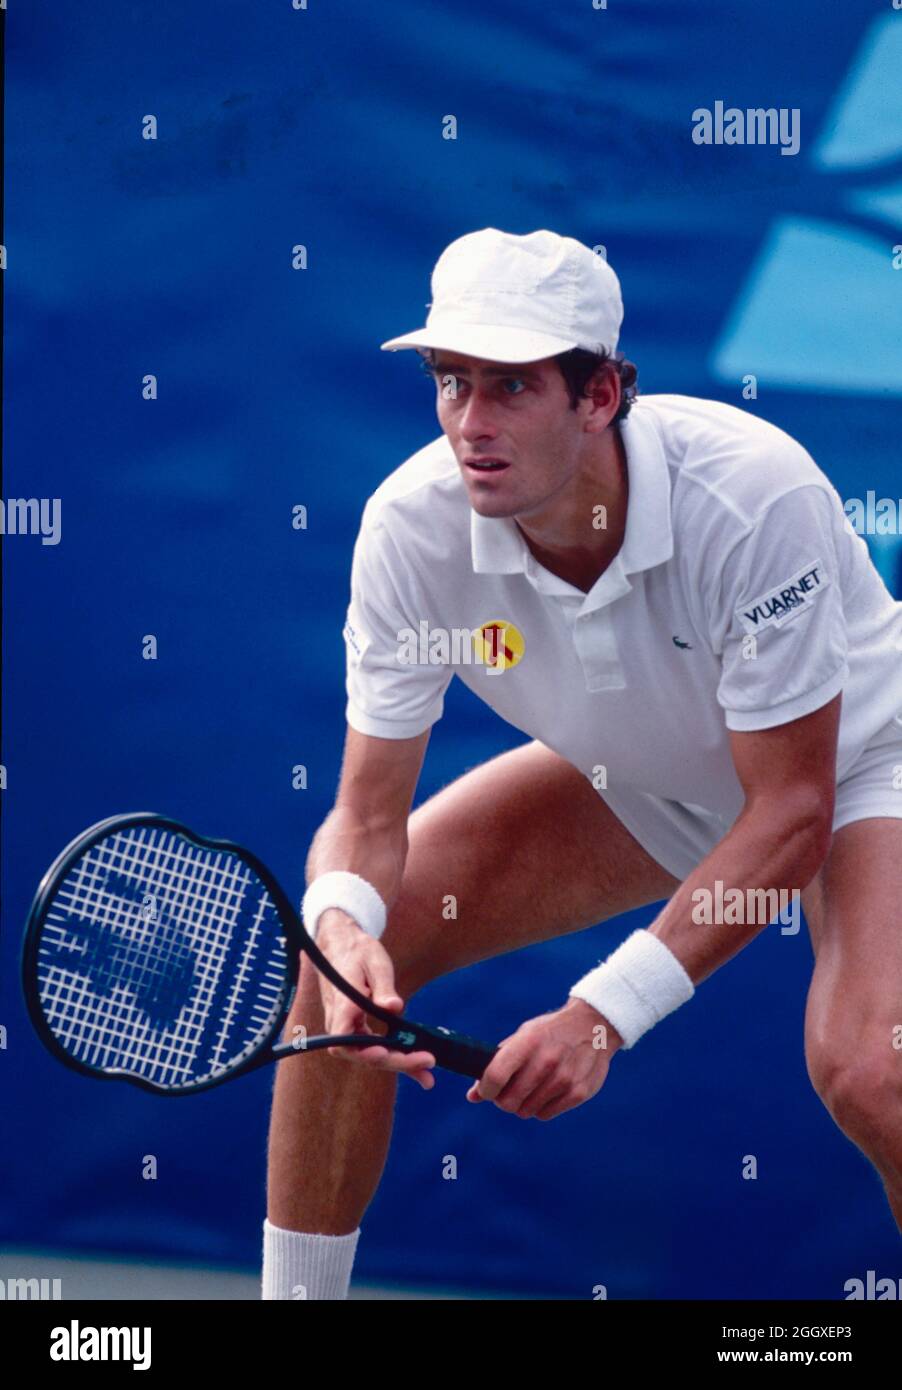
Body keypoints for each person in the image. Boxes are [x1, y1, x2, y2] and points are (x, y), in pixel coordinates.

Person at [263, 228, 902, 1299]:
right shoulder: (407, 532)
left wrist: (599, 1016)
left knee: (867, 1068)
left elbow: (789, 812)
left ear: (600, 393)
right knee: (333, 977)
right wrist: (341, 929)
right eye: (450, 382)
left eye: (509, 386)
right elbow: (365, 819)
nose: (470, 423)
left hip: (854, 770)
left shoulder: (749, 495)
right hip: (642, 781)